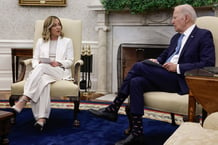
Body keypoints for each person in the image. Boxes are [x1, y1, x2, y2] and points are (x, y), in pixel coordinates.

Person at [89, 4, 215, 145]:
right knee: (136, 81)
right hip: (166, 76)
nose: (172, 21)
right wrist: (156, 61)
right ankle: (137, 132)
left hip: (182, 80)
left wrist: (178, 67)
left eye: (174, 17)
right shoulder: (175, 38)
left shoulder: (203, 35)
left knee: (138, 66)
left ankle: (114, 107)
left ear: (186, 18)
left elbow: (207, 64)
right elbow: (164, 56)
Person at [12, 16, 74, 131]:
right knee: (43, 81)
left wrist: (58, 63)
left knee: (41, 67)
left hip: (59, 71)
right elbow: (35, 59)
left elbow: (70, 61)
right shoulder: (41, 41)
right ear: (48, 28)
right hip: (44, 72)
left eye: (59, 24)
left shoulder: (67, 41)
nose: (58, 27)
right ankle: (41, 119)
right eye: (55, 25)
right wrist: (39, 63)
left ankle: (25, 98)